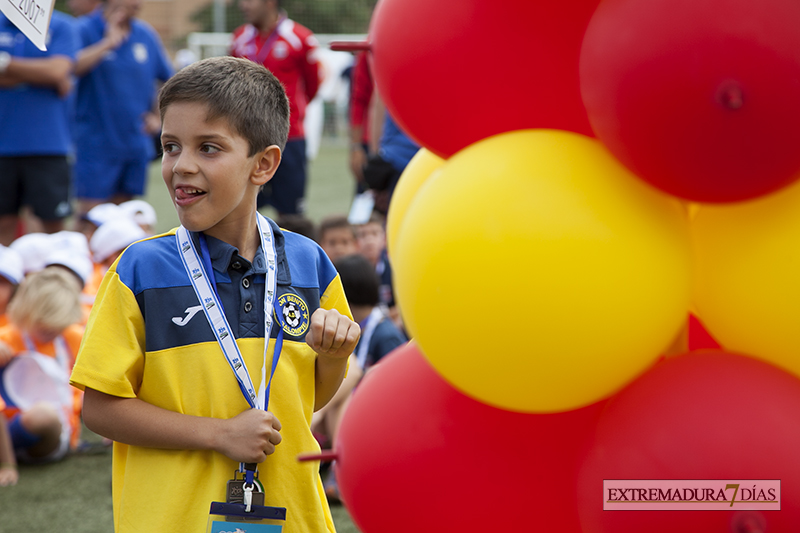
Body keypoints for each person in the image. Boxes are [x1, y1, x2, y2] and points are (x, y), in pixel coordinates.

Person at [70, 56, 360, 533]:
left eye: (208, 148)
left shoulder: (311, 264)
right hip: (170, 519)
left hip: (292, 515)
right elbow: (100, 409)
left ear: (263, 164)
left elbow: (305, 399)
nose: (181, 166)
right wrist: (219, 434)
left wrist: (332, 358)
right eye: (170, 146)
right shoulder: (138, 270)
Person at [312, 253, 407, 502]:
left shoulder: (384, 333)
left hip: (381, 417)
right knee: (343, 393)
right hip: (349, 412)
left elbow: (397, 385)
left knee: (350, 375)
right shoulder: (356, 324)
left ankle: (341, 471)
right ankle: (338, 472)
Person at [72, 0, 173, 220]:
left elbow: (166, 80)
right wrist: (108, 43)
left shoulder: (145, 34)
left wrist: (157, 115)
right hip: (95, 143)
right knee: (92, 219)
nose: (137, 3)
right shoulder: (83, 28)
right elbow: (69, 67)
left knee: (124, 218)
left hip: (133, 142)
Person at [230, 0, 323, 215]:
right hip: (247, 137)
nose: (243, 6)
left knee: (291, 214)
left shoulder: (300, 38)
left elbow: (313, 87)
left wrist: (288, 114)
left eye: (249, 1)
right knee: (240, 210)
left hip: (290, 137)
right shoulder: (238, 39)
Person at [0, 10, 79, 245]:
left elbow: (57, 71)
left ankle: (51, 282)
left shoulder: (62, 25)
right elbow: (52, 74)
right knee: (3, 227)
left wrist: (5, 63)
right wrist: (41, 76)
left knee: (53, 230)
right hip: (3, 146)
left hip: (49, 144)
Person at [0, 267, 85, 461]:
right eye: (43, 324)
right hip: (8, 429)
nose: (51, 330)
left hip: (54, 432)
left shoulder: (72, 337)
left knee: (43, 415)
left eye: (58, 326)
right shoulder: (7, 337)